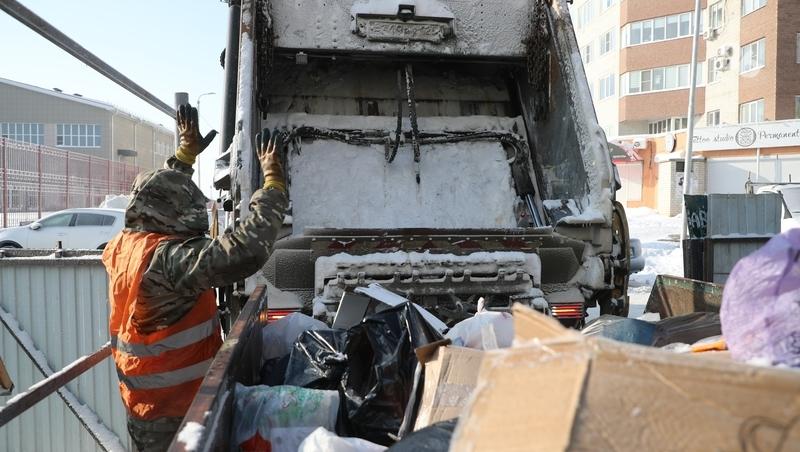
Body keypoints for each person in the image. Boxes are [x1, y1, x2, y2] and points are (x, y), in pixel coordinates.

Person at [102, 103, 288, 451]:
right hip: (176, 408)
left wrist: (184, 158)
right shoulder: (169, 261)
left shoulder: (125, 245)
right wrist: (274, 184)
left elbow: (157, 195)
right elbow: (247, 250)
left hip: (145, 400)